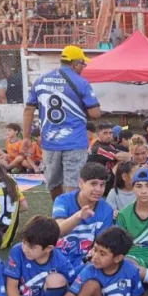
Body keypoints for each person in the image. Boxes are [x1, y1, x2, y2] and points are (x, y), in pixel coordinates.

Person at [23, 45, 102, 199]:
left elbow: (28, 110)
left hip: (50, 142)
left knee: (53, 182)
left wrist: (26, 137)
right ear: (75, 64)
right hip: (75, 141)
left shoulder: (40, 80)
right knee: (73, 182)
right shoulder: (81, 82)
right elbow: (95, 113)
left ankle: (58, 211)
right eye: (82, 64)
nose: (83, 68)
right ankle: (71, 216)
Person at [4, 216, 76, 296]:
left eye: (31, 247)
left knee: (56, 280)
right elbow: (11, 286)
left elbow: (72, 293)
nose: (25, 249)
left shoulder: (60, 261)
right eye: (24, 242)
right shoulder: (17, 251)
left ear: (49, 248)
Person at [52, 162, 115, 267]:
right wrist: (78, 216)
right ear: (81, 183)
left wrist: (87, 260)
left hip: (86, 261)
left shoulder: (107, 210)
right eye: (93, 183)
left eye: (102, 184)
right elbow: (58, 231)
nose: (98, 189)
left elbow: (100, 245)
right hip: (58, 257)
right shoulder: (63, 200)